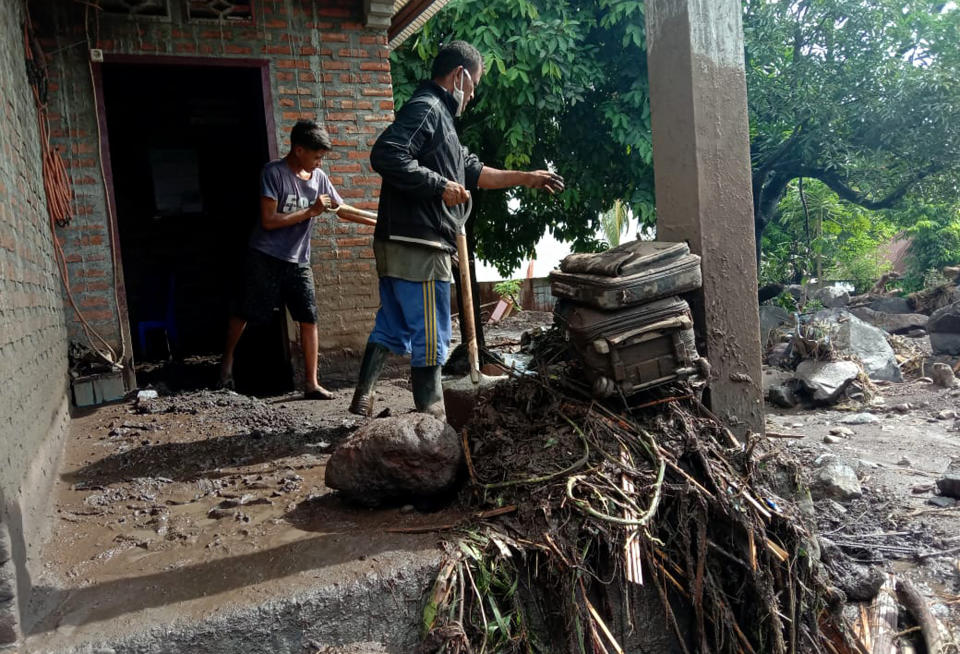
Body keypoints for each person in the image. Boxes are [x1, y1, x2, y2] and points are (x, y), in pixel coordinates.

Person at [349, 40, 564, 417]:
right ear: (459, 75)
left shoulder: (443, 124)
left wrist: (525, 178)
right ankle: (431, 414)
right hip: (421, 241)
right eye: (474, 84)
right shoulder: (428, 108)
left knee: (394, 322)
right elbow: (386, 153)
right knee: (431, 333)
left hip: (399, 240)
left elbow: (474, 172)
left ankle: (362, 396)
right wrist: (439, 186)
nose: (474, 94)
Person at [220, 119, 341, 399]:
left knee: (309, 317)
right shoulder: (273, 173)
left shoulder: (319, 178)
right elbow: (269, 220)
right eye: (316, 157)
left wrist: (376, 219)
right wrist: (311, 211)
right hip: (265, 256)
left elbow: (339, 205)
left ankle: (311, 383)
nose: (319, 164)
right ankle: (226, 364)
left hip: (299, 260)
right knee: (245, 312)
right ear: (298, 150)